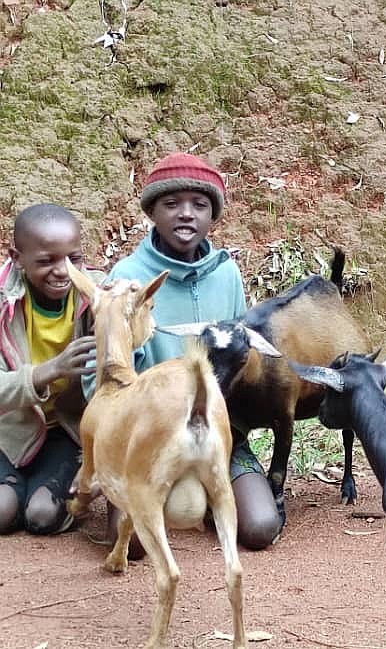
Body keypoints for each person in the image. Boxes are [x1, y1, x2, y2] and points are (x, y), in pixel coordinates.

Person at [105, 153, 281, 551]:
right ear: (152, 210)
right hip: (149, 431)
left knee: (259, 527)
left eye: (199, 205)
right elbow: (107, 378)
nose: (186, 215)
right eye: (171, 204)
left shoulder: (227, 274)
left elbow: (241, 357)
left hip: (218, 429)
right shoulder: (127, 279)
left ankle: (202, 487)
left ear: (213, 214)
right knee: (131, 543)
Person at [1, 203, 99, 535]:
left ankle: (37, 494)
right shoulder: (4, 302)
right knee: (2, 511)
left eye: (74, 259)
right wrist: (50, 369)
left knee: (42, 515)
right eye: (46, 261)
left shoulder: (96, 296)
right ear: (17, 258)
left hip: (65, 430)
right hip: (9, 431)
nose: (63, 271)